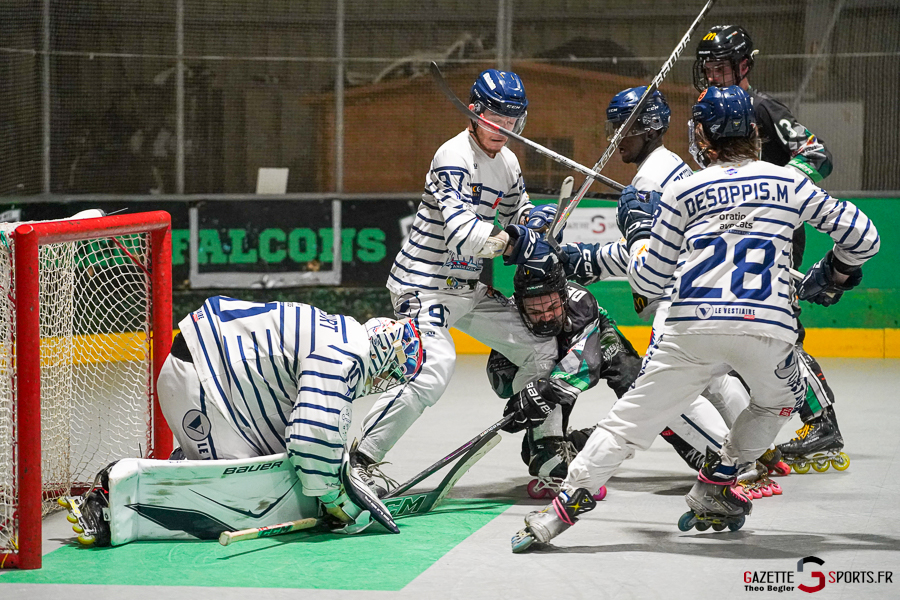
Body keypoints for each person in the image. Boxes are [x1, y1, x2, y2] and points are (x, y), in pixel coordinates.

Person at [509, 86, 879, 552]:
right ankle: (719, 479)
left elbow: (647, 279)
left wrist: (641, 232)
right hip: (766, 330)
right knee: (779, 402)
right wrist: (835, 271)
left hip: (689, 328)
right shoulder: (789, 182)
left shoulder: (683, 189)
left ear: (702, 135)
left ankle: (558, 511)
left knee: (628, 423)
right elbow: (865, 238)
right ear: (752, 132)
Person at [62, 297, 424, 545]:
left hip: (212, 380)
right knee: (243, 496)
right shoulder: (349, 352)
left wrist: (334, 475)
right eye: (390, 371)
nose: (382, 382)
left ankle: (181, 465)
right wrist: (334, 499)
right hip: (203, 381)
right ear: (382, 353)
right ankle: (110, 497)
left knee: (284, 467)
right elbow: (312, 438)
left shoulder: (340, 332)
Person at [350, 69, 558, 488]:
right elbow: (464, 235)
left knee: (542, 348)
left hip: (466, 291)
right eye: (496, 117)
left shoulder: (509, 161)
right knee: (433, 367)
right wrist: (513, 241)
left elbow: (520, 212)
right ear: (475, 112)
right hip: (422, 285)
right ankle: (358, 461)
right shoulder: (453, 156)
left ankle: (546, 451)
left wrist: (534, 221)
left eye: (513, 119)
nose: (504, 128)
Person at [694, 25, 846, 473]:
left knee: (774, 329)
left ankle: (821, 421)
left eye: (722, 67)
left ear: (744, 66)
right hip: (731, 236)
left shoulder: (761, 107)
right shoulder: (705, 110)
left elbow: (818, 154)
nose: (714, 76)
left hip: (773, 232)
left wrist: (773, 187)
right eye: (708, 68)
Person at [485, 261, 641, 499]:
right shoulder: (512, 317)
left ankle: (699, 454)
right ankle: (577, 442)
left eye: (552, 307)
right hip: (555, 361)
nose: (546, 317)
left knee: (638, 390)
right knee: (539, 452)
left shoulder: (581, 306)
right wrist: (521, 400)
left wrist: (538, 395)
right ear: (520, 306)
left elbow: (585, 364)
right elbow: (502, 384)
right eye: (535, 312)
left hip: (596, 340)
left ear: (563, 297)